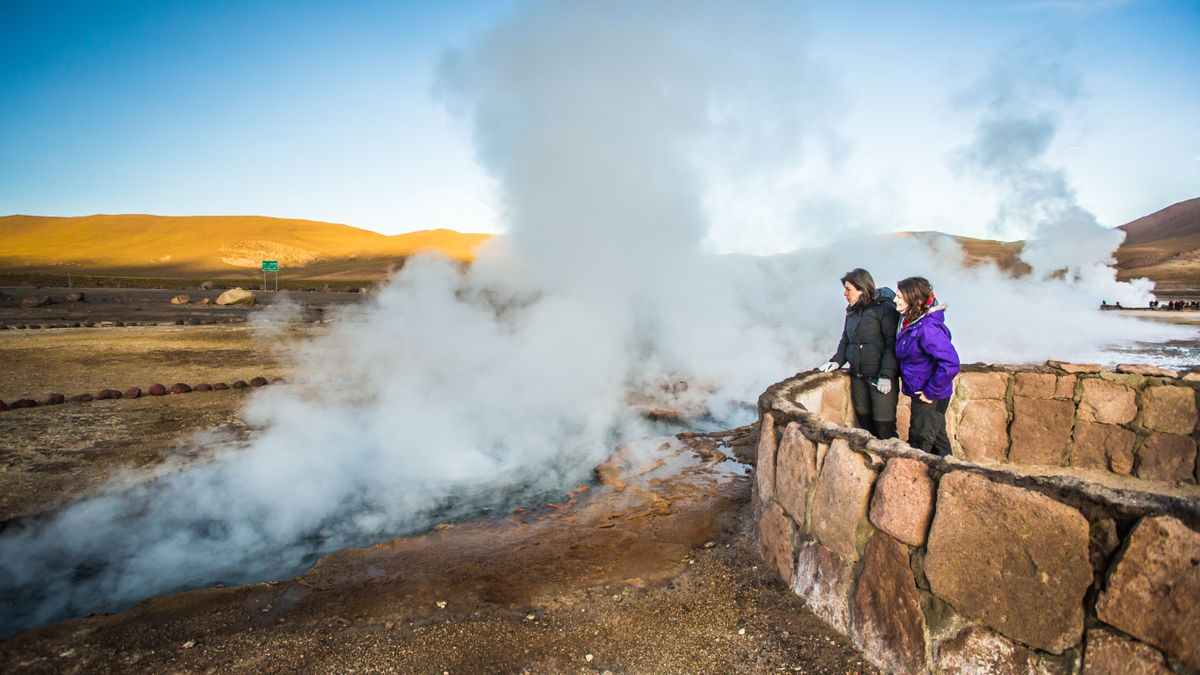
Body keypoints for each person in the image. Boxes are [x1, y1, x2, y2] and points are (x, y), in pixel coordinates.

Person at [818, 268, 899, 438]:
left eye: (848, 289)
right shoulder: (852, 310)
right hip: (859, 376)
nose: (845, 293)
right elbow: (846, 339)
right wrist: (836, 361)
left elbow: (892, 344)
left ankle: (892, 462)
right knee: (865, 421)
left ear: (862, 289)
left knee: (884, 425)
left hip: (879, 377)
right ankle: (872, 462)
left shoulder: (884, 308)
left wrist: (886, 374)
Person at [894, 276, 960, 456]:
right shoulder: (911, 322)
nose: (895, 300)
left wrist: (931, 392)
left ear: (915, 300)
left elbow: (951, 363)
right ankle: (951, 476)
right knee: (937, 440)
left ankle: (915, 480)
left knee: (920, 441)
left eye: (899, 297)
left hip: (929, 394)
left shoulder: (927, 328)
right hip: (924, 389)